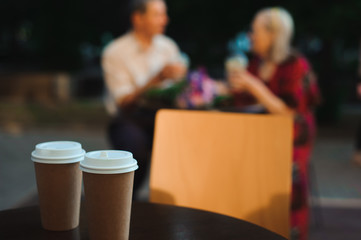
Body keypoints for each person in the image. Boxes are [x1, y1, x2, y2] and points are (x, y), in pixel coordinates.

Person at [228, 7, 320, 240]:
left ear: (273, 35)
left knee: (286, 183)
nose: (251, 36)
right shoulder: (257, 63)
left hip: (292, 136)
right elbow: (243, 101)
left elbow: (288, 112)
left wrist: (253, 86)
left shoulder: (295, 64)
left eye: (255, 31)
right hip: (260, 134)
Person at [101, 0, 187, 197]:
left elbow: (180, 87)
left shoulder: (168, 47)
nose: (165, 20)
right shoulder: (115, 52)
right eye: (158, 15)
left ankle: (171, 200)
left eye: (164, 14)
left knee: (187, 148)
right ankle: (123, 202)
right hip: (130, 118)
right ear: (138, 19)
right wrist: (157, 79)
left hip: (165, 117)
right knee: (135, 152)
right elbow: (125, 103)